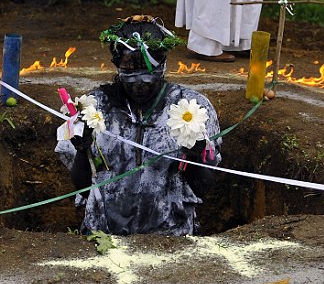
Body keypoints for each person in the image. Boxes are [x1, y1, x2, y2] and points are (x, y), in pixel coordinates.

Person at [54, 15, 222, 236]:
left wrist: (196, 156)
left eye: (149, 79)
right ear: (117, 67)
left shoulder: (192, 109)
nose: (140, 87)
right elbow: (82, 186)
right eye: (131, 79)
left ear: (163, 66)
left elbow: (203, 187)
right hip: (104, 236)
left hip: (172, 238)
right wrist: (82, 148)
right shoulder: (94, 108)